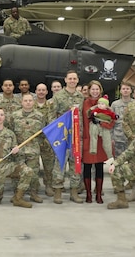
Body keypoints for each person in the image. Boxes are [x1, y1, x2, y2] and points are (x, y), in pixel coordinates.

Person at [49, 70, 84, 204]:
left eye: (74, 79)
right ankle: (58, 192)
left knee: (75, 163)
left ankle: (74, 192)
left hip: (76, 137)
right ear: (65, 80)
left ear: (77, 80)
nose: (72, 81)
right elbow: (52, 115)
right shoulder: (58, 96)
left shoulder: (80, 97)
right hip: (62, 136)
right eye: (70, 78)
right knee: (59, 164)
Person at [82, 82, 115, 204]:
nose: (95, 91)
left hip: (101, 140)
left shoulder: (105, 104)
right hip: (88, 138)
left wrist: (102, 123)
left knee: (99, 167)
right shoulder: (84, 103)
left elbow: (111, 121)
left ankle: (99, 194)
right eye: (93, 89)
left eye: (97, 89)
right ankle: (88, 194)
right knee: (87, 167)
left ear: (100, 90)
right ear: (89, 90)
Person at [11, 94, 45, 203]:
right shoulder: (14, 115)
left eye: (30, 100)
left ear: (34, 102)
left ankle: (33, 193)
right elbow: (10, 132)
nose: (28, 102)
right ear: (21, 102)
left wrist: (36, 144)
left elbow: (43, 134)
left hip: (33, 149)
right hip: (18, 150)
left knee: (34, 173)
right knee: (18, 173)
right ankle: (17, 194)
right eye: (26, 100)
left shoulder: (40, 116)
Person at [34, 83, 55, 196]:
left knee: (49, 165)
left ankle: (48, 185)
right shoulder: (31, 105)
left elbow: (53, 121)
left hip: (47, 140)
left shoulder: (51, 105)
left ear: (47, 92)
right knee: (34, 165)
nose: (41, 92)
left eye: (43, 90)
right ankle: (34, 187)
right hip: (34, 140)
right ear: (36, 92)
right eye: (39, 90)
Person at [110, 82, 133, 157]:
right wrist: (111, 137)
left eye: (127, 89)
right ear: (120, 91)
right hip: (118, 138)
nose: (125, 90)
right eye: (123, 89)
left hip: (131, 138)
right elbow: (110, 122)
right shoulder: (115, 104)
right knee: (118, 162)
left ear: (131, 90)